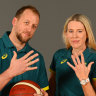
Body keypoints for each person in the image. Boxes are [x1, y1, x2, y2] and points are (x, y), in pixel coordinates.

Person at [0, 5, 49, 96]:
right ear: (15, 21)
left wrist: (44, 94)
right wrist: (10, 73)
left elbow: (44, 91)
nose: (29, 29)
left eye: (34, 26)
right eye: (26, 23)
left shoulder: (37, 58)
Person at [48, 14, 96, 96]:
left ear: (87, 34)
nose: (74, 36)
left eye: (79, 31)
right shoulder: (58, 55)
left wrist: (84, 80)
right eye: (71, 31)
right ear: (66, 34)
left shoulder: (94, 58)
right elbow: (52, 89)